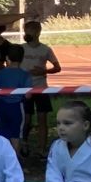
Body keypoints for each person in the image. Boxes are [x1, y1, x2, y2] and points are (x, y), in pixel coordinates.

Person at [20, 20, 61, 152]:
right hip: (25, 89)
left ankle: (42, 149)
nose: (27, 34)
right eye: (26, 31)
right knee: (26, 119)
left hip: (41, 88)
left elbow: (57, 67)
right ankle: (24, 143)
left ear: (38, 32)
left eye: (30, 31)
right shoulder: (21, 48)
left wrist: (44, 71)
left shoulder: (46, 49)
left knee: (42, 119)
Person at [0, 43, 31, 152]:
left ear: (7, 58)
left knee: (1, 135)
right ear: (22, 58)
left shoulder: (0, 73)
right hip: (17, 107)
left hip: (1, 107)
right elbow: (28, 95)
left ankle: (2, 159)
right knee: (16, 135)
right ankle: (14, 159)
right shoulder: (25, 75)